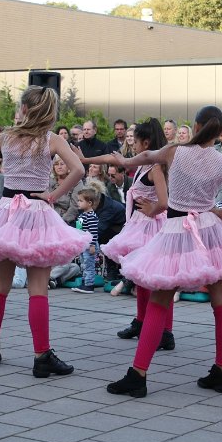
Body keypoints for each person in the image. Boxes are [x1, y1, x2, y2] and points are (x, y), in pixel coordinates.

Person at [102, 105, 222, 398]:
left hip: (178, 230)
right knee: (221, 300)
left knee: (159, 301)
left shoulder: (176, 152)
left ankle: (138, 374)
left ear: (197, 126)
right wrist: (220, 214)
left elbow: (145, 157)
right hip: (210, 231)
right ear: (218, 129)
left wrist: (121, 158)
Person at [0, 85, 90, 377]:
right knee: (38, 289)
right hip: (36, 211)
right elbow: (78, 170)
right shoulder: (51, 140)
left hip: (8, 211)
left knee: (1, 283)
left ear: (24, 109)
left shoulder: (9, 136)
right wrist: (52, 195)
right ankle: (41, 355)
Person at [81, 119, 170, 340]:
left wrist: (153, 209)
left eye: (136, 142)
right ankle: (141, 322)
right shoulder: (143, 163)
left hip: (151, 227)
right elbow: (114, 157)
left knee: (155, 280)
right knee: (139, 277)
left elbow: (165, 200)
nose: (132, 147)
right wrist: (83, 158)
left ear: (146, 143)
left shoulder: (155, 166)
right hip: (139, 224)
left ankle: (164, 332)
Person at [70, 188, 101, 293]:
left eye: (81, 201)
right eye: (78, 200)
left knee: (89, 265)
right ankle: (84, 283)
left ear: (89, 203)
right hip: (84, 244)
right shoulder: (82, 215)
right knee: (84, 264)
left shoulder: (91, 216)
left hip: (89, 245)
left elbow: (93, 232)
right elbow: (79, 229)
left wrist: (92, 245)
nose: (78, 203)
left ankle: (89, 285)